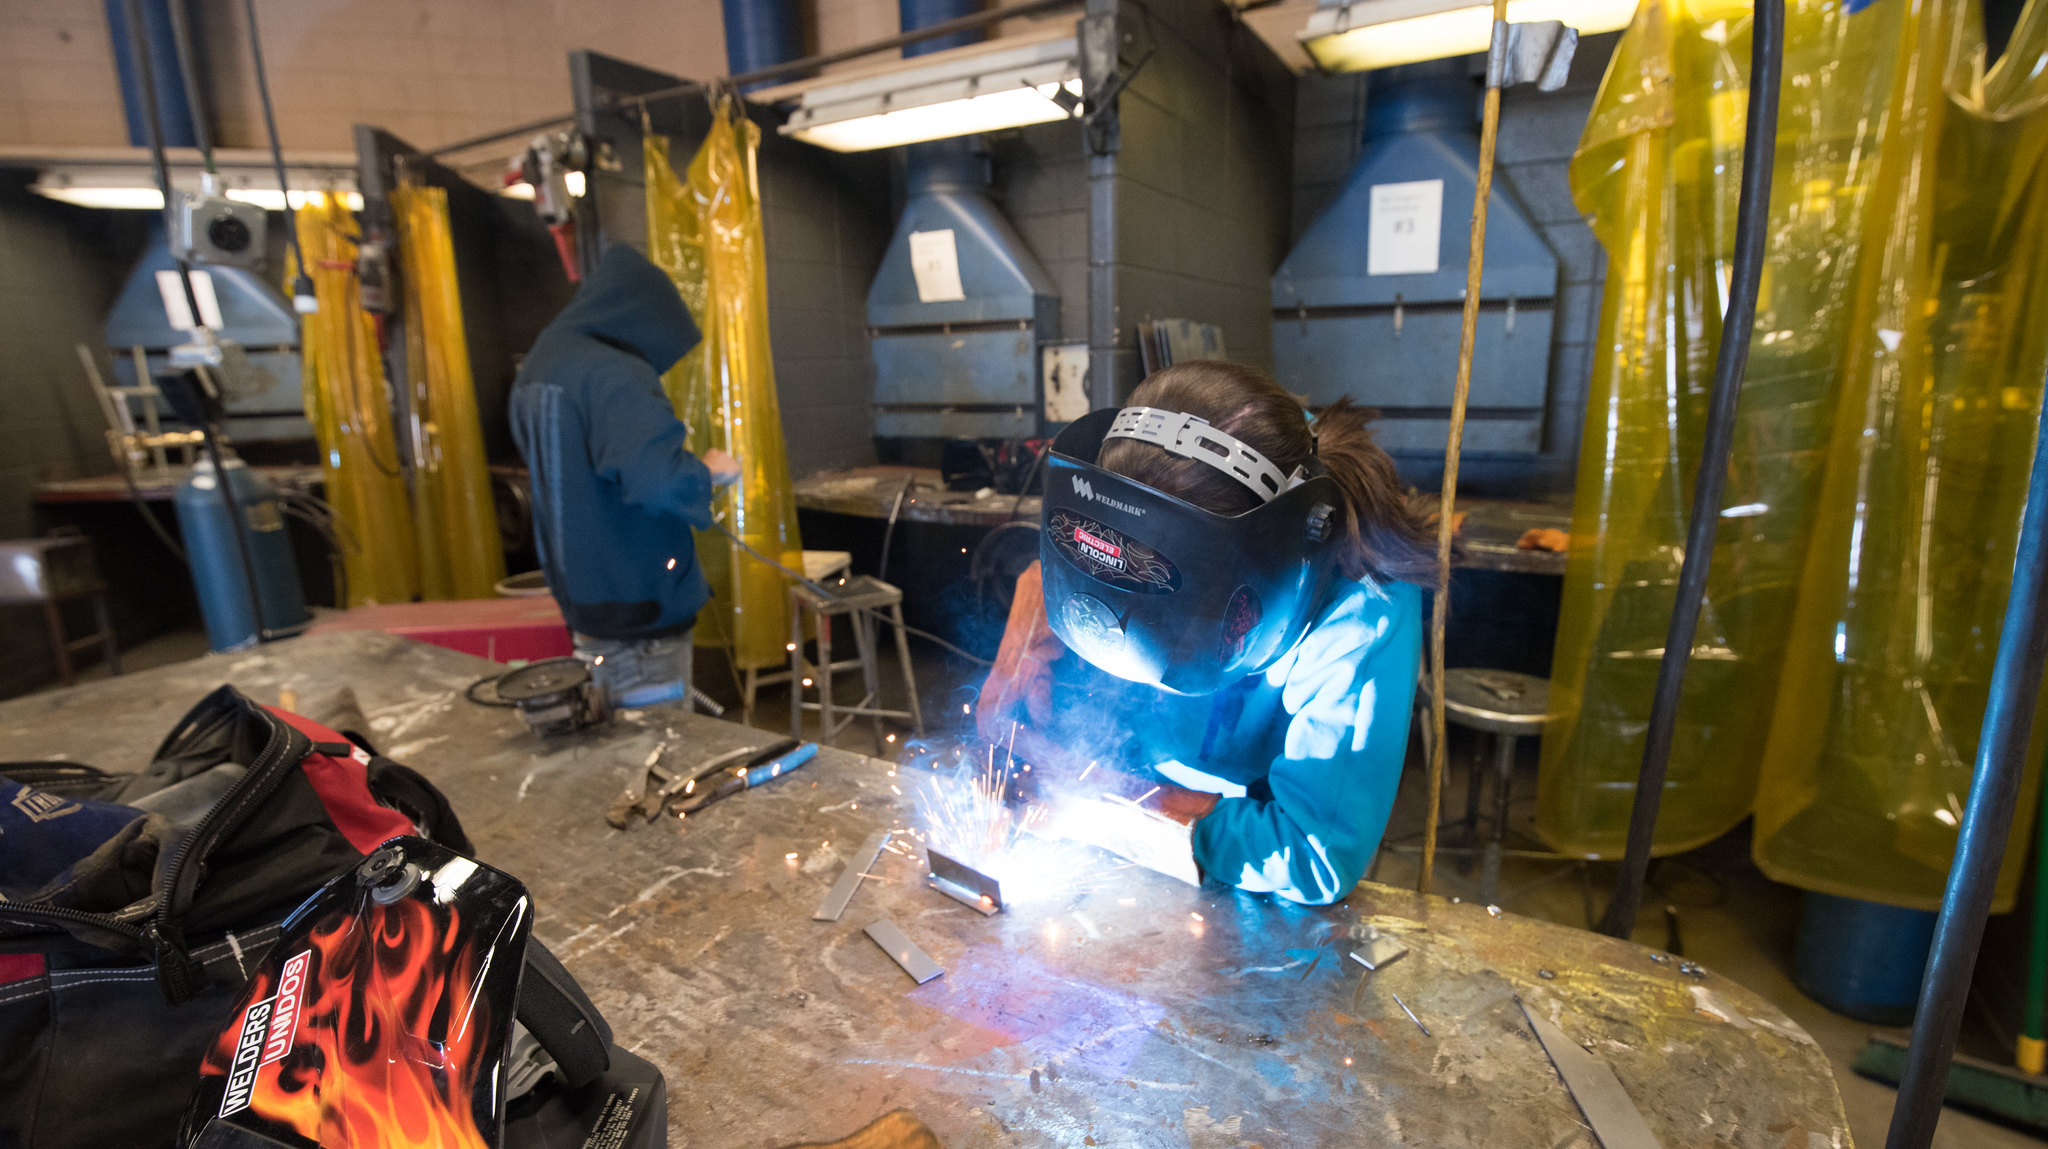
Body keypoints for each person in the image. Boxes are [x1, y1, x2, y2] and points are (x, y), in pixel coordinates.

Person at [977, 361, 1437, 906]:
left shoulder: (1364, 611)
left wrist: (1125, 806)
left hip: (1244, 828)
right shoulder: (1175, 471)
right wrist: (1042, 605)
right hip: (1154, 770)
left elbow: (1315, 854)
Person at [510, 245, 740, 706]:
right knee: (653, 753)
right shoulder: (612, 374)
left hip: (589, 602)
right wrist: (709, 471)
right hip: (640, 615)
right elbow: (659, 481)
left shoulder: (545, 360)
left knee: (615, 747)